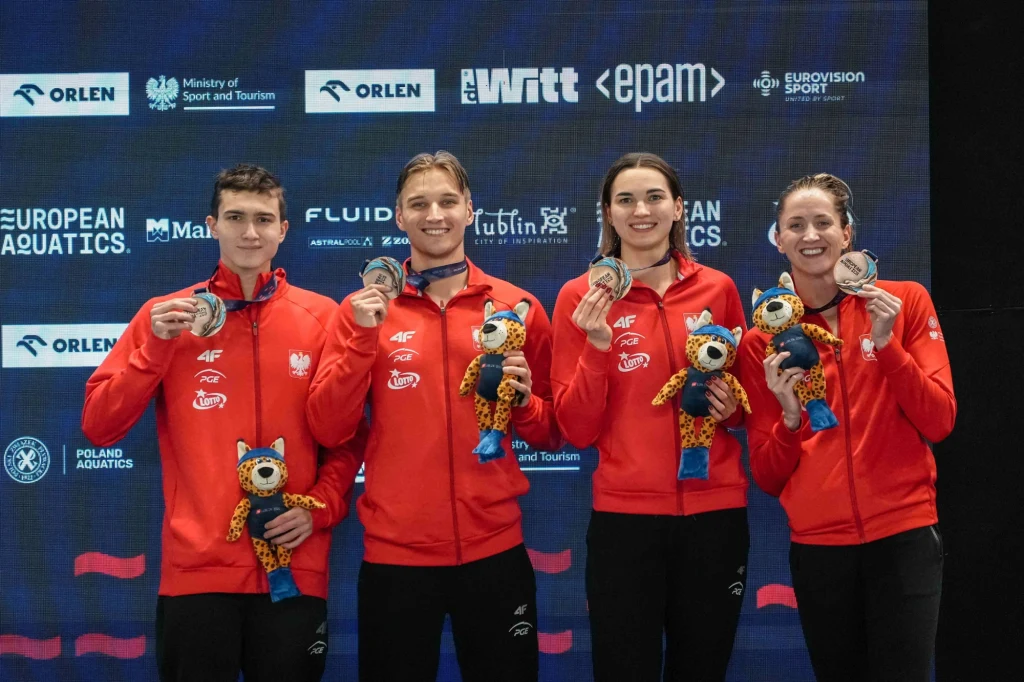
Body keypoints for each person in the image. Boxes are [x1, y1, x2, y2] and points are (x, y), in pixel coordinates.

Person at [82, 164, 364, 682]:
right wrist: (155, 351)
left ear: (284, 229)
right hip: (197, 574)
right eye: (235, 217)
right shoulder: (166, 317)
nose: (249, 232)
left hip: (293, 569)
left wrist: (321, 507)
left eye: (263, 218)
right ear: (211, 224)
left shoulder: (325, 318)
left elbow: (346, 437)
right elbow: (100, 426)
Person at [306, 151, 562, 682]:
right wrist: (359, 337)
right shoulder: (361, 312)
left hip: (495, 551)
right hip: (395, 558)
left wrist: (525, 402)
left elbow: (551, 429)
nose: (435, 215)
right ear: (399, 216)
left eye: (448, 201)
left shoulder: (516, 306)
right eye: (418, 204)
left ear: (470, 209)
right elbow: (329, 429)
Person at [739, 173, 956, 682]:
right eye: (795, 225)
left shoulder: (903, 302)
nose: (810, 235)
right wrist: (790, 417)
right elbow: (769, 477)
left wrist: (887, 347)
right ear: (779, 239)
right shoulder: (760, 340)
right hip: (819, 550)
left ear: (847, 233)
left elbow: (940, 419)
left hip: (903, 537)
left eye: (823, 223)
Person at [550, 152, 750, 681]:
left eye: (655, 196)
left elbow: (742, 400)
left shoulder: (719, 289)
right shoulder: (579, 297)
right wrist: (597, 346)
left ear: (680, 207)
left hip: (715, 514)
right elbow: (575, 428)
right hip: (625, 521)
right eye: (626, 199)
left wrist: (731, 411)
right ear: (608, 214)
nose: (642, 210)